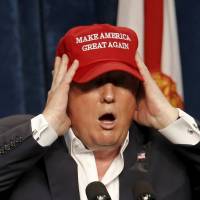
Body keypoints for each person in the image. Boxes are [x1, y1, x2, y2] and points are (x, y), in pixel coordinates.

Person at [0, 24, 200, 200]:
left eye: (122, 82)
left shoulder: (172, 153)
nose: (109, 95)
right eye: (94, 82)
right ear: (64, 89)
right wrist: (48, 123)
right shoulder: (25, 146)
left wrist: (170, 119)